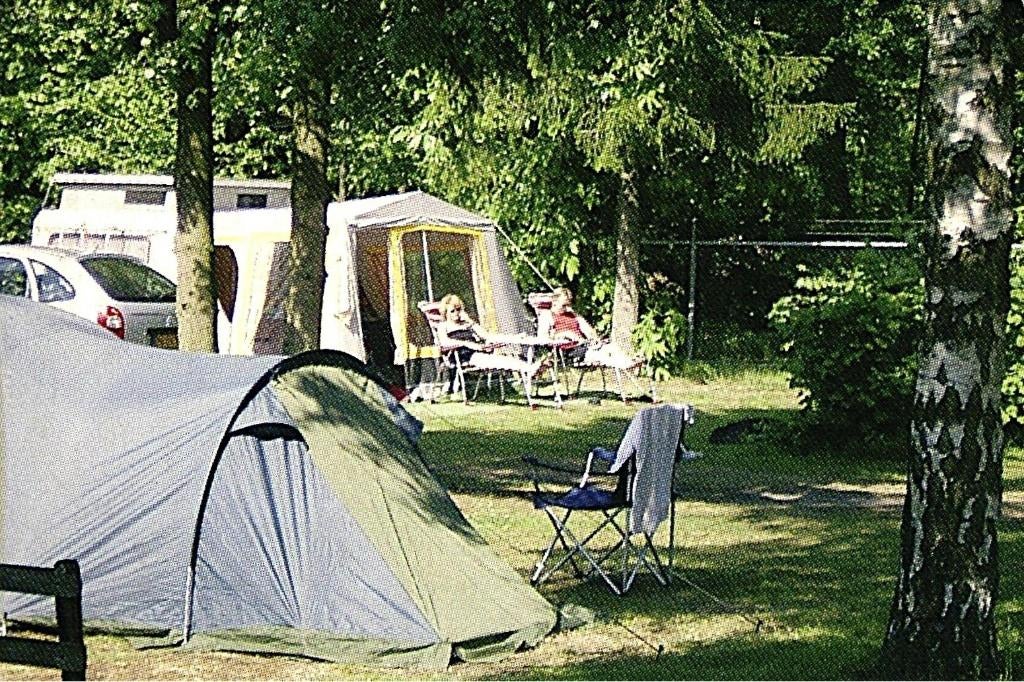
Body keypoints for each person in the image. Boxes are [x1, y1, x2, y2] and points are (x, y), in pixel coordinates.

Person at [437, 294, 548, 378]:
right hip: (462, 356)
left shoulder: (466, 324)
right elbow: (444, 342)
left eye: (458, 309)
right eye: (452, 311)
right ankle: (530, 368)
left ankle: (520, 343)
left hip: (477, 352)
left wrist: (470, 321)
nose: (456, 313)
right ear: (445, 313)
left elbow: (485, 335)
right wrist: (468, 344)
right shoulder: (444, 326)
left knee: (499, 354)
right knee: (497, 361)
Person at [548, 287, 643, 370]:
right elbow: (544, 337)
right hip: (569, 351)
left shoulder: (572, 315)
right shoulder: (548, 316)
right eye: (564, 305)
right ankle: (625, 364)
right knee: (599, 354)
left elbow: (588, 330)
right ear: (555, 301)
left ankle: (629, 361)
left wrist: (594, 338)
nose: (567, 308)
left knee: (610, 348)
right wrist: (565, 334)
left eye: (568, 304)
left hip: (583, 346)